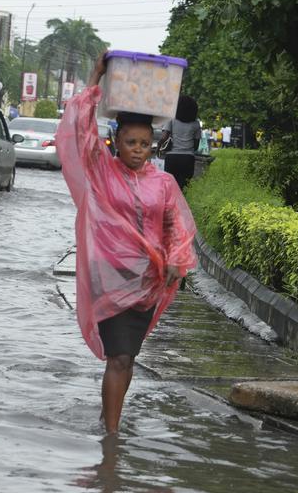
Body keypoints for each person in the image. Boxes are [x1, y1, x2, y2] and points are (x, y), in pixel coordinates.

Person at [55, 52, 197, 435]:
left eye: (146, 143)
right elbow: (79, 129)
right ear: (115, 141)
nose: (138, 149)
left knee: (127, 356)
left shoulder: (162, 183)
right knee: (119, 355)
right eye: (131, 142)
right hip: (111, 277)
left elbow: (176, 225)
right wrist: (96, 76)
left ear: (154, 144)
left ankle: (109, 418)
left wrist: (176, 260)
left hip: (148, 283)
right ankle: (113, 437)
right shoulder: (102, 171)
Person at [160, 96, 202, 190]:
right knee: (184, 187)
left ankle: (171, 204)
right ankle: (182, 204)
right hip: (188, 158)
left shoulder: (171, 120)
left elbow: (164, 137)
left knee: (170, 187)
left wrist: (159, 148)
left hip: (172, 158)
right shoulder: (196, 124)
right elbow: (196, 146)